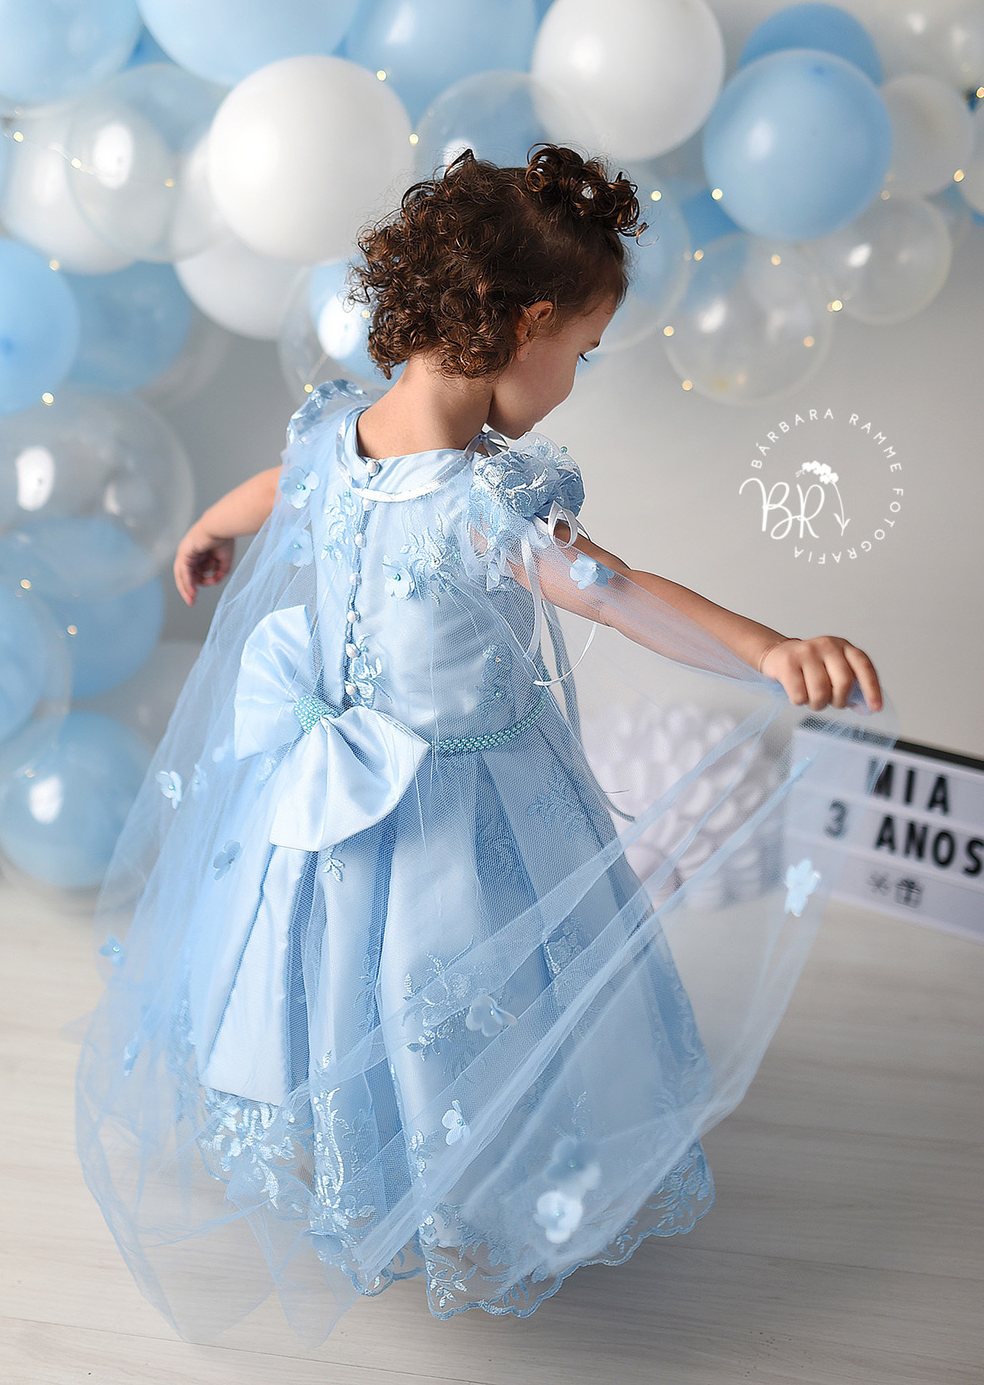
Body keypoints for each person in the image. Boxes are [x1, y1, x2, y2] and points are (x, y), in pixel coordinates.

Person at [75, 144, 897, 1348]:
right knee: (450, 989)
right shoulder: (479, 503)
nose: (574, 380)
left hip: (351, 806)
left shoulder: (343, 435)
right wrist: (771, 648)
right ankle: (455, 1191)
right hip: (460, 822)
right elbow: (613, 591)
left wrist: (211, 521)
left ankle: (396, 1167)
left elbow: (289, 484)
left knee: (348, 980)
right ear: (528, 324)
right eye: (583, 353)